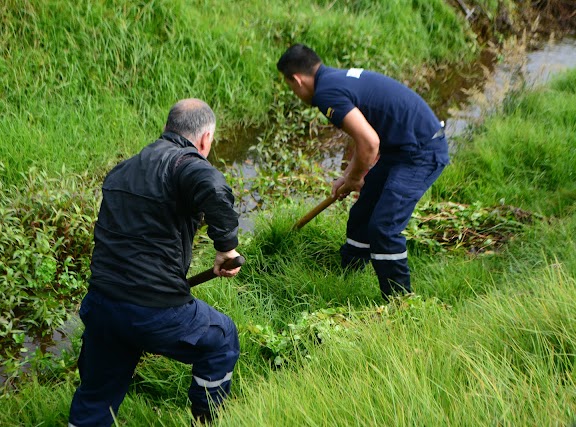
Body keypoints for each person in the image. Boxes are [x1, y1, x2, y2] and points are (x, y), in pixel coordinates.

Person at [68, 98, 242, 426]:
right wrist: (227, 249)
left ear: (168, 128)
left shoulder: (124, 169)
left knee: (96, 394)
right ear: (205, 139)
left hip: (102, 302)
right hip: (152, 308)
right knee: (222, 337)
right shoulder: (185, 163)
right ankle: (206, 421)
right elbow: (214, 188)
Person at [277, 44, 449, 300]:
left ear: (297, 79)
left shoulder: (326, 94)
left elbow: (369, 142)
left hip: (420, 151)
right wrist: (349, 176)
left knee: (384, 228)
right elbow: (363, 136)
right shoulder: (335, 79)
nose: (295, 92)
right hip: (401, 148)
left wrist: (356, 177)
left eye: (291, 87)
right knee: (363, 213)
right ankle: (349, 274)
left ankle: (400, 303)